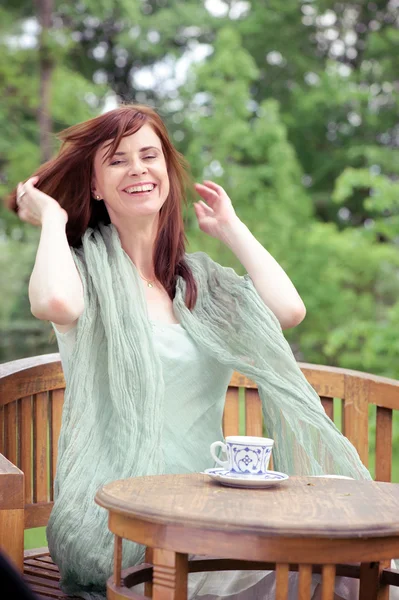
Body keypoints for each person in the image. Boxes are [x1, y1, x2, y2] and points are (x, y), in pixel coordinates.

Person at [10, 104, 370, 600]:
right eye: (117, 160)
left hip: (214, 508)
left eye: (149, 155)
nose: (137, 168)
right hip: (129, 522)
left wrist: (230, 229)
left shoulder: (197, 283)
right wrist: (52, 216)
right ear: (95, 185)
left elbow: (287, 311)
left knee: (350, 547)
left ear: (166, 172)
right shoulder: (83, 273)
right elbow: (52, 302)